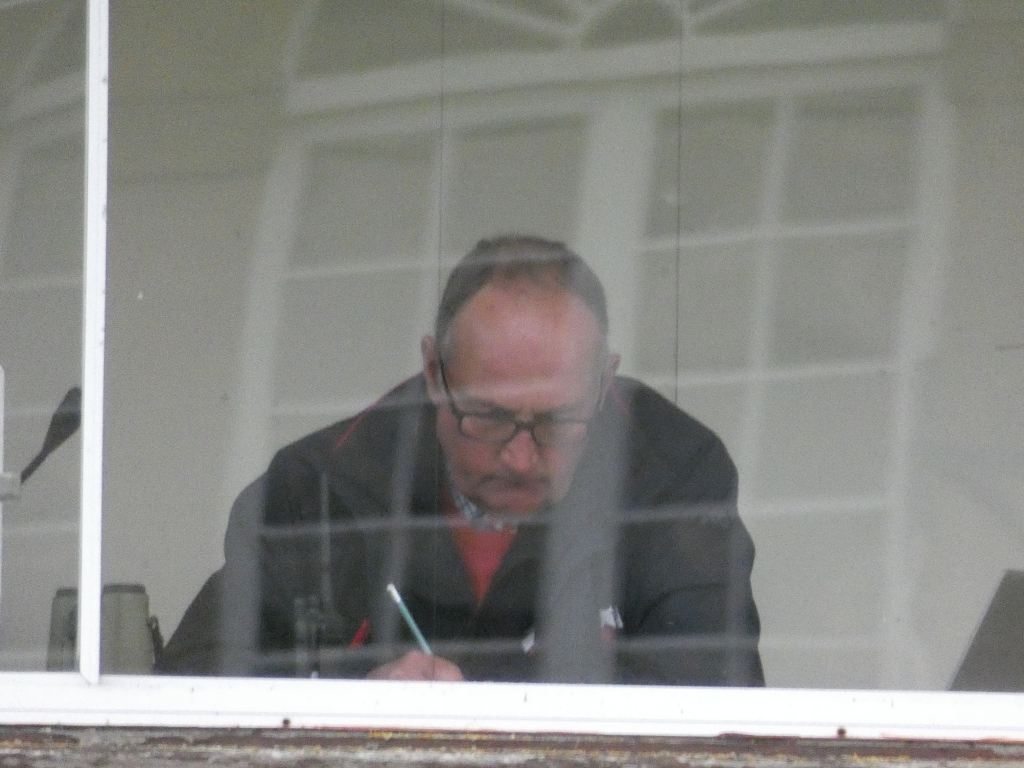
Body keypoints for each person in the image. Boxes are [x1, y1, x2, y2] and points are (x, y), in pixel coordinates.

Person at [159, 235, 764, 686]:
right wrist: (351, 705)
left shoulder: (673, 472)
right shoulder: (328, 484)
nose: (522, 458)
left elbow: (717, 694)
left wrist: (477, 698)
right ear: (431, 373)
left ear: (605, 384)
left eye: (558, 421)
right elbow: (194, 682)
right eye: (490, 418)